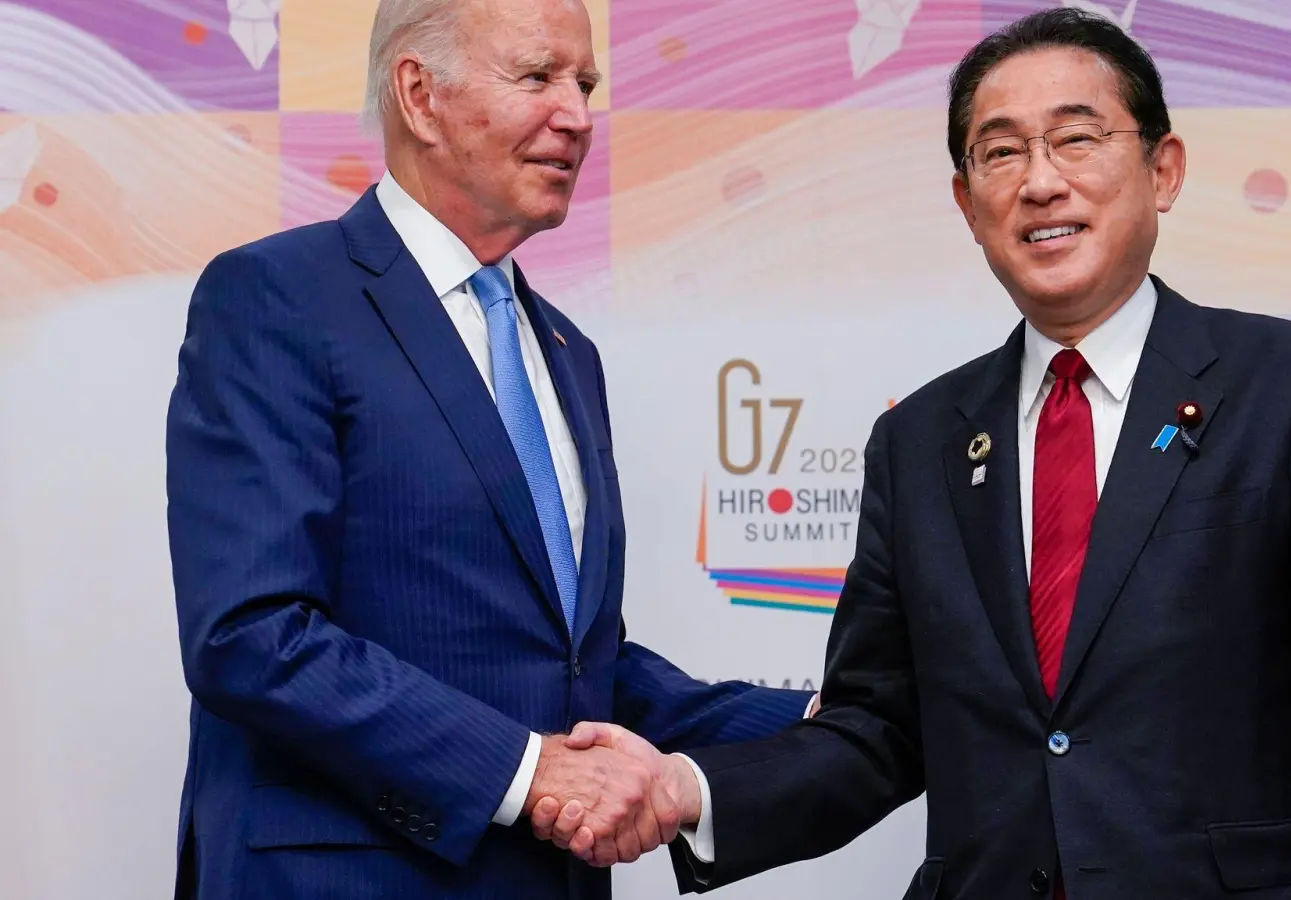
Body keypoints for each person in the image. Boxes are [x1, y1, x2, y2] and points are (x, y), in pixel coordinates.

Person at [547, 8, 1291, 899]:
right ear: (967, 203)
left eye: (1078, 139)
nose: (1041, 183)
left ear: (1163, 170)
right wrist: (690, 790)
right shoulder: (920, 442)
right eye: (1002, 151)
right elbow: (879, 730)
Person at [163, 0, 811, 896]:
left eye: (584, 84)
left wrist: (832, 718)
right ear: (419, 95)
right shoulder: (276, 297)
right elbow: (252, 634)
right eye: (539, 77)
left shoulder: (567, 354)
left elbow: (581, 677)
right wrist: (527, 772)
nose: (579, 115)